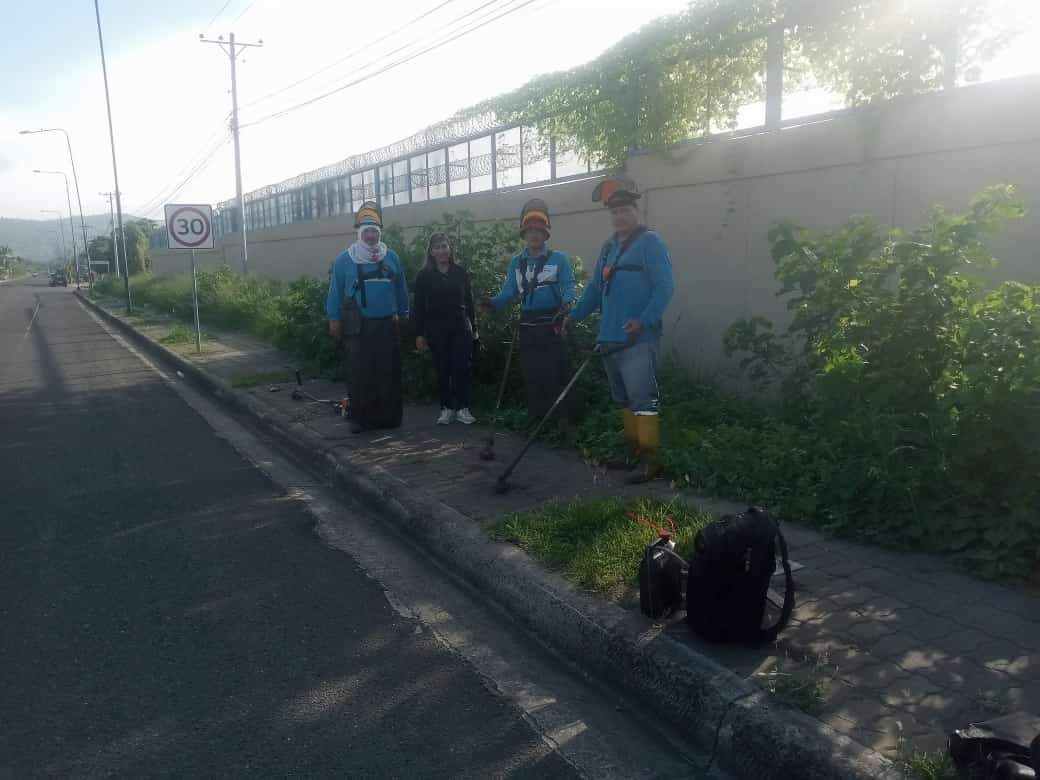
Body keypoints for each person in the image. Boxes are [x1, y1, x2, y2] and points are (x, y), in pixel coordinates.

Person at [563, 175, 674, 483]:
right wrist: (574, 316)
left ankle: (650, 460)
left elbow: (665, 287)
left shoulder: (651, 242)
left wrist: (644, 319)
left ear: (636, 211)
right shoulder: (608, 247)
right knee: (623, 400)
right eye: (614, 212)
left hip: (637, 338)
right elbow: (595, 289)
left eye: (625, 210)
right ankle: (632, 453)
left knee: (642, 400)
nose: (619, 216)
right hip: (609, 338)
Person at [482, 198, 576, 432]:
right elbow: (508, 292)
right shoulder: (517, 262)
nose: (534, 234)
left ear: (546, 234)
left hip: (553, 322)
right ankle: (537, 421)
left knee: (555, 371)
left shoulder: (559, 259)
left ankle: (561, 422)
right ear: (524, 234)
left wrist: (568, 303)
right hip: (528, 324)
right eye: (530, 230)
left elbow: (568, 285)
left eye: (539, 230)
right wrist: (492, 303)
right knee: (532, 374)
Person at [326, 201, 409, 433]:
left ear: (379, 233)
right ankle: (361, 420)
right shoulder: (345, 259)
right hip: (358, 327)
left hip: (387, 325)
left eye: (374, 231)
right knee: (360, 373)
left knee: (388, 372)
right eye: (367, 231)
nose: (371, 236)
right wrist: (334, 319)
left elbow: (401, 289)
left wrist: (404, 314)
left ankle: (389, 419)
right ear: (360, 233)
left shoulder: (391, 257)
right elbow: (335, 291)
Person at [413, 232, 477, 425]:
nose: (442, 251)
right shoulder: (423, 276)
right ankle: (447, 408)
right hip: (436, 329)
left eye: (444, 246)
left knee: (461, 368)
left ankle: (463, 408)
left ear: (449, 249)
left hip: (461, 327)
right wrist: (419, 334)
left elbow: (469, 302)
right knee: (442, 369)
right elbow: (418, 307)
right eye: (437, 247)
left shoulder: (460, 272)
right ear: (431, 252)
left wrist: (474, 328)